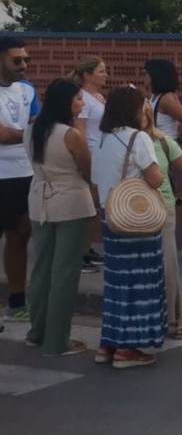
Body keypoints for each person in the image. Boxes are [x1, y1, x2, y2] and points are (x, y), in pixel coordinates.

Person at [90, 85, 165, 368]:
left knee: (117, 282)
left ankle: (108, 342)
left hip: (111, 214)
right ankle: (128, 349)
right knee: (140, 282)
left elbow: (96, 178)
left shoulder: (102, 139)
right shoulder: (138, 139)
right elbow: (155, 179)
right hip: (136, 220)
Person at [22, 78, 93, 356]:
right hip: (71, 200)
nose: (82, 103)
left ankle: (36, 332)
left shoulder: (32, 130)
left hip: (39, 199)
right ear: (66, 102)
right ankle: (56, 340)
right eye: (77, 98)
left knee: (42, 269)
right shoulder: (70, 134)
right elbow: (86, 170)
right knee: (64, 272)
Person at [140, 100, 182, 340]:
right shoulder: (125, 140)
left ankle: (175, 316)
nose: (144, 113)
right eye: (139, 110)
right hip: (135, 209)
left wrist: (176, 195)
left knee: (168, 262)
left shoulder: (162, 141)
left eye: (146, 109)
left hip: (163, 208)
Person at [0, 37, 38, 320]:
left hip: (25, 173)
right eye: (17, 60)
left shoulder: (27, 89)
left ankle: (16, 301)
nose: (23, 65)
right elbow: (2, 136)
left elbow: (38, 124)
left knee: (20, 237)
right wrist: (25, 134)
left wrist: (21, 134)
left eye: (25, 59)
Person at [69, 55, 106, 273]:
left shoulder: (99, 97)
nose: (105, 75)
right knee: (88, 206)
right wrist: (84, 157)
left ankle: (87, 247)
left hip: (101, 153)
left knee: (95, 207)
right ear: (87, 75)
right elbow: (80, 130)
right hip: (91, 152)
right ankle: (79, 252)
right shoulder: (82, 98)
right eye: (100, 71)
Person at [142, 59, 182, 144]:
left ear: (155, 75)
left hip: (166, 148)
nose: (143, 77)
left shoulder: (166, 99)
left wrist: (178, 140)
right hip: (156, 145)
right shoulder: (153, 96)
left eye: (145, 74)